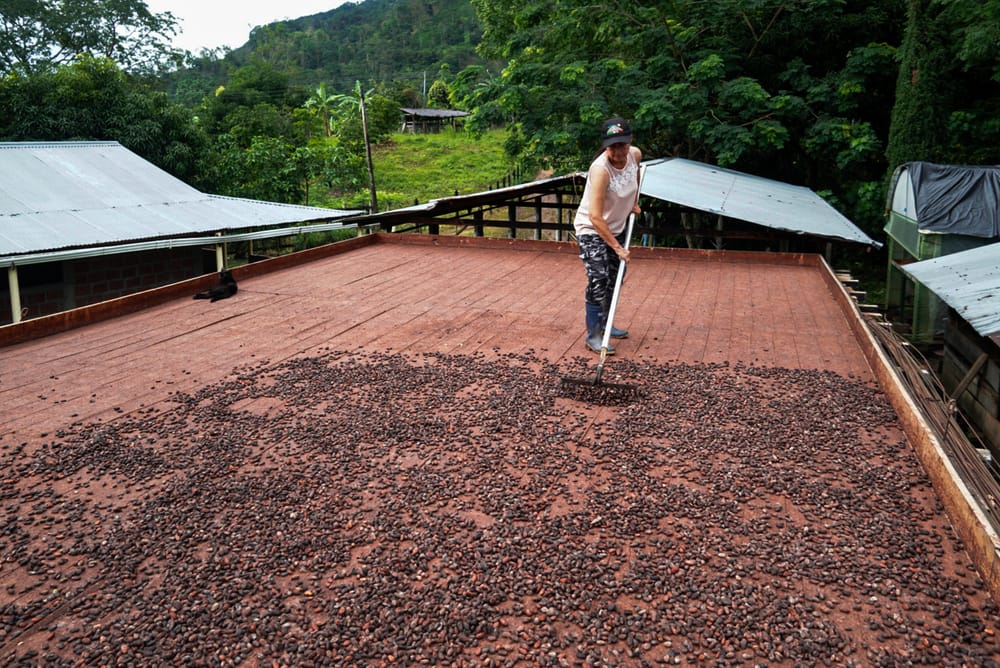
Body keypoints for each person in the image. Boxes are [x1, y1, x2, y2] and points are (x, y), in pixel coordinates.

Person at [573, 117, 642, 354]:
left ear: (630, 141)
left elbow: (636, 178)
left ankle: (607, 322)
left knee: (616, 277)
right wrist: (617, 248)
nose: (619, 151)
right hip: (592, 229)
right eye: (613, 146)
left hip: (617, 227)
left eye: (622, 145)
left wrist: (634, 202)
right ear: (605, 146)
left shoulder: (635, 155)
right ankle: (593, 334)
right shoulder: (600, 170)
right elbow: (594, 216)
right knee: (599, 278)